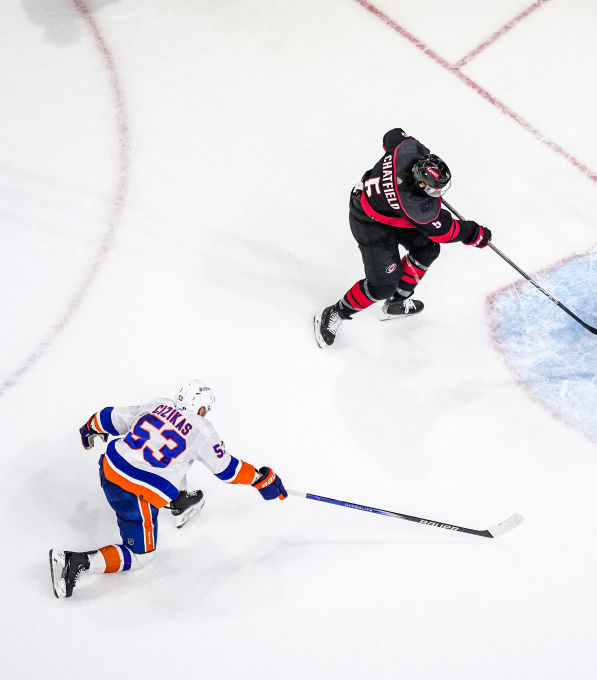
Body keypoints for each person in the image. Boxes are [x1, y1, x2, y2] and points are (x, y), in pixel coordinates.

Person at [49, 380, 287, 599]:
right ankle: (75, 563)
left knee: (178, 460)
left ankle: (179, 500)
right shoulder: (202, 430)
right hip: (136, 493)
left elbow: (113, 417)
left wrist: (89, 428)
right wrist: (259, 478)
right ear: (201, 409)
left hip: (109, 467)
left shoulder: (158, 406)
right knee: (141, 556)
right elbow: (227, 469)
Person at [314, 128, 492, 348]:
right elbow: (445, 231)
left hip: (391, 211)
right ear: (419, 184)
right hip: (370, 222)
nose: (439, 193)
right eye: (434, 190)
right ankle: (336, 312)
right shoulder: (416, 207)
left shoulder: (406, 149)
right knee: (381, 286)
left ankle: (397, 302)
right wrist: (474, 233)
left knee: (427, 249)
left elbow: (392, 135)